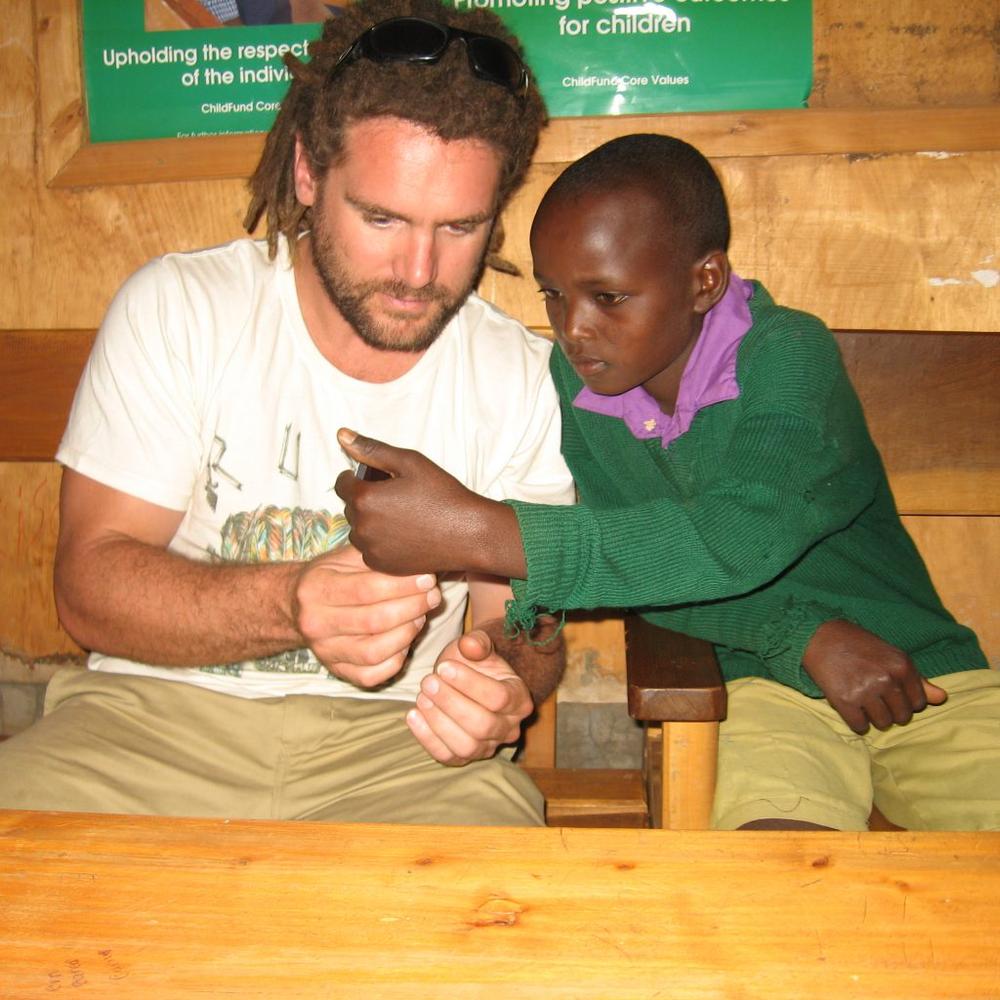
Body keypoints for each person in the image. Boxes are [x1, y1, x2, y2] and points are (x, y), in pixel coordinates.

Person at [0, 0, 575, 826]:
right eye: (382, 217)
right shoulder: (180, 309)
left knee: (496, 895)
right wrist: (291, 599)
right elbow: (86, 589)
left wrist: (504, 681)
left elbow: (524, 621)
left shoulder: (518, 376)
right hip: (144, 729)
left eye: (461, 227)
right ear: (307, 172)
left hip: (403, 755)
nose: (419, 271)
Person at [335, 133, 1000, 832]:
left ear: (704, 281)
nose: (573, 329)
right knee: (775, 865)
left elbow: (734, 536)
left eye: (608, 297)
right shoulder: (580, 389)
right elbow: (649, 579)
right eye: (554, 295)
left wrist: (477, 530)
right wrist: (800, 637)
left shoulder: (787, 353)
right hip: (756, 689)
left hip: (921, 673)